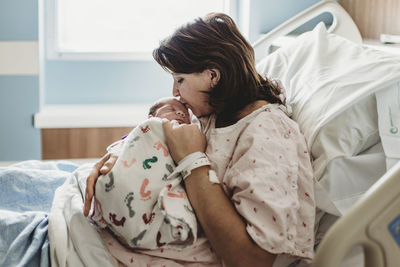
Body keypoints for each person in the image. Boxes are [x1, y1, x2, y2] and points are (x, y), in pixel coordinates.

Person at [84, 13, 315, 267]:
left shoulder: (266, 133)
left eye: (180, 80)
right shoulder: (213, 114)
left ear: (213, 76)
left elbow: (254, 259)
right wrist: (116, 160)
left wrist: (192, 161)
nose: (175, 93)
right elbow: (156, 140)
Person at [90, 97, 209, 250]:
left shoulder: (190, 136)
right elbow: (129, 142)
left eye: (185, 112)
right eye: (170, 109)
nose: (180, 112)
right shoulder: (149, 129)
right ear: (151, 118)